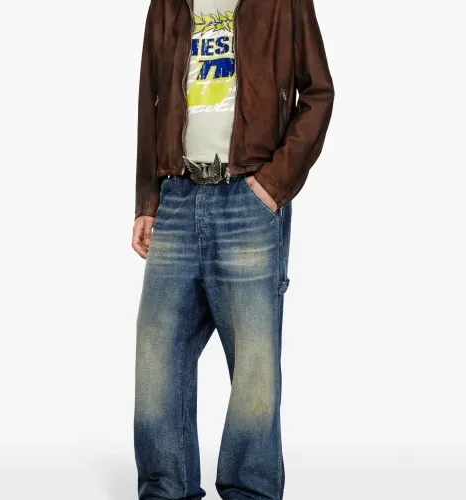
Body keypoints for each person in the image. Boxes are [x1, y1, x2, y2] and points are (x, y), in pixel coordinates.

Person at [131, 0, 334, 498]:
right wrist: (147, 199)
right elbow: (149, 97)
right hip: (176, 194)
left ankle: (250, 491)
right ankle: (165, 490)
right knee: (157, 356)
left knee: (254, 366)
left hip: (249, 197)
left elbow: (318, 93)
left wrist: (274, 184)